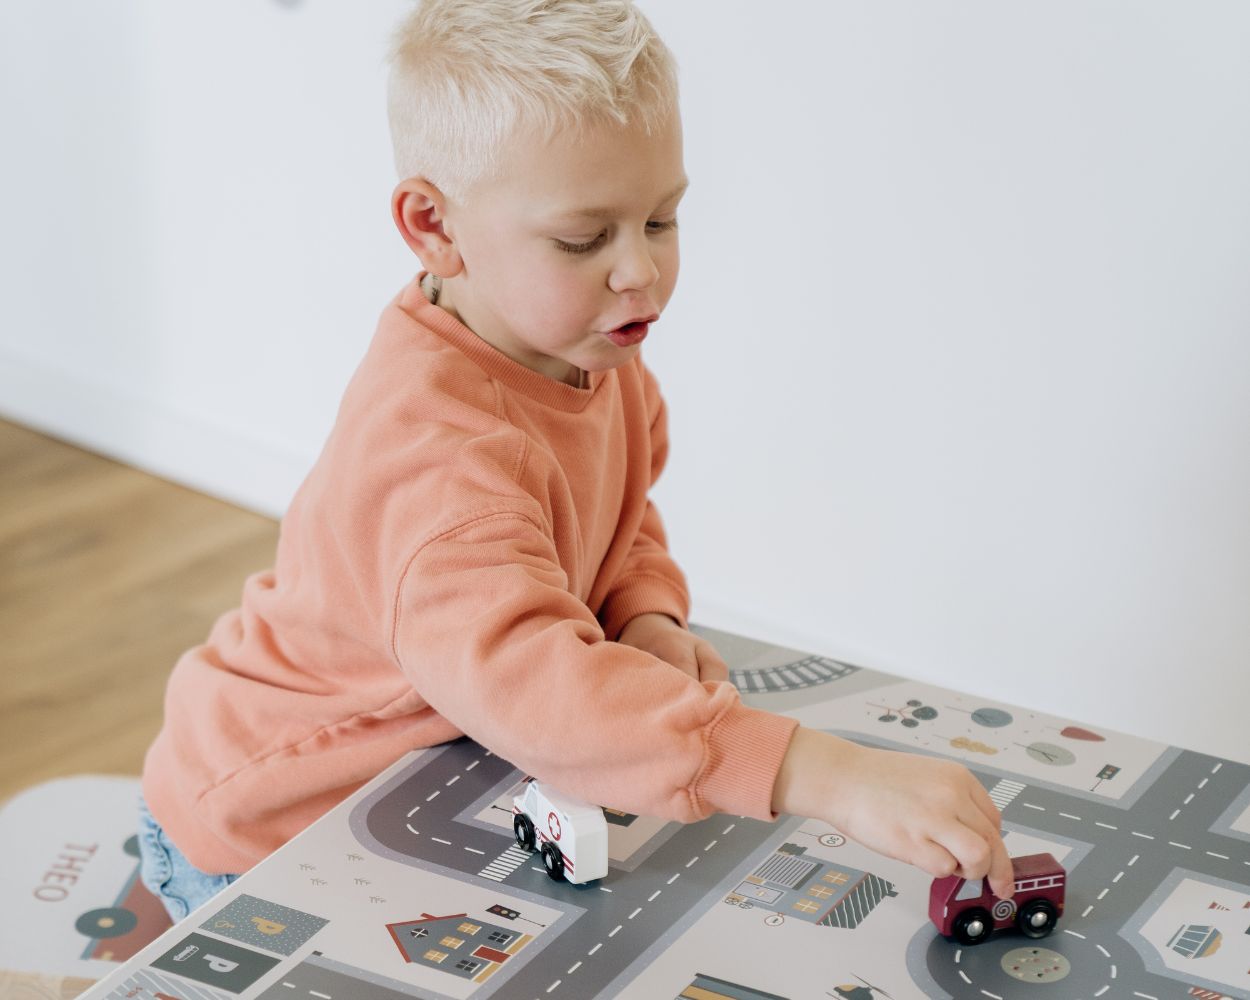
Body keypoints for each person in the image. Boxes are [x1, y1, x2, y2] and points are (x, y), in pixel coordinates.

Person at [138, 0, 1013, 921]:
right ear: (435, 226)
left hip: (431, 764)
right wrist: (822, 772)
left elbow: (620, 517)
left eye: (662, 219)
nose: (637, 270)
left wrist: (645, 618)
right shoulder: (438, 464)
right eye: (583, 239)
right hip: (273, 824)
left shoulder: (587, 350)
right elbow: (547, 696)